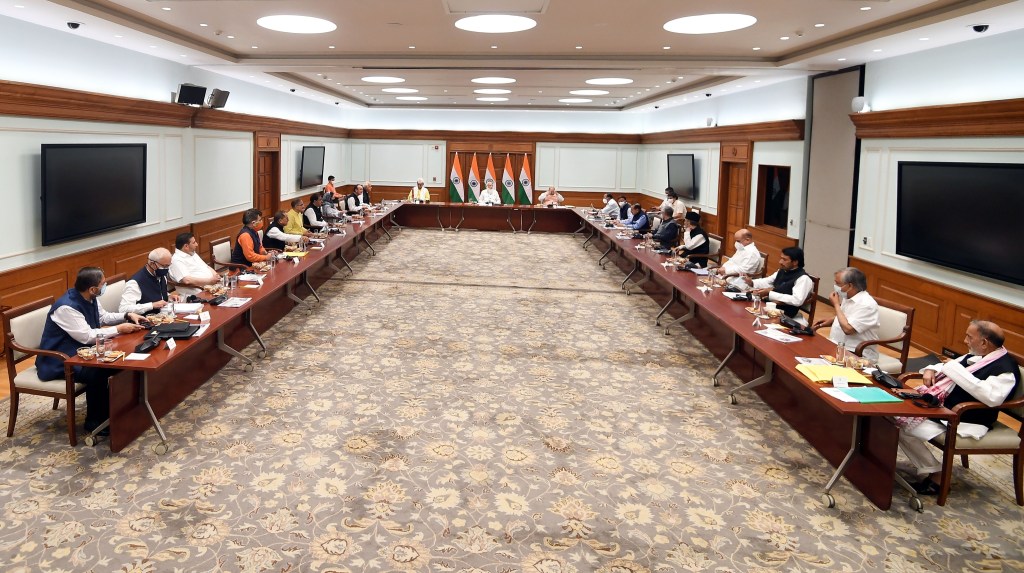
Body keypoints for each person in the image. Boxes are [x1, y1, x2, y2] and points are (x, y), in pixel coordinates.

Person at [896, 321, 1020, 495]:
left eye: (969, 337)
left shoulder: (1005, 370)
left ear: (984, 343)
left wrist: (953, 369)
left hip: (967, 418)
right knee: (894, 414)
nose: (965, 340)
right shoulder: (979, 356)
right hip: (945, 410)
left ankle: (937, 475)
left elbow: (991, 397)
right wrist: (930, 369)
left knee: (901, 425)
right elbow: (947, 366)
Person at [36, 267, 147, 435]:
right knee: (98, 372)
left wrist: (127, 315)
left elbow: (103, 317)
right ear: (93, 289)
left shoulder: (90, 297)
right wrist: (119, 329)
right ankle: (95, 422)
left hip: (84, 352)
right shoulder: (66, 307)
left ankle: (119, 411)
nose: (105, 286)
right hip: (60, 360)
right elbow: (86, 336)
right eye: (103, 284)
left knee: (121, 362)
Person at [811, 267, 881, 363]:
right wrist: (832, 320)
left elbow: (848, 329)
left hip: (857, 353)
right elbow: (848, 317)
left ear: (850, 286)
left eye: (838, 283)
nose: (835, 286)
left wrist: (836, 304)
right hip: (838, 346)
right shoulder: (848, 296)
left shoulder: (867, 305)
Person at [743, 247, 814, 321]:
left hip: (785, 313)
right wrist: (752, 282)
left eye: (784, 260)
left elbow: (797, 300)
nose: (780, 262)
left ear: (795, 262)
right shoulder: (782, 271)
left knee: (749, 318)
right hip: (770, 306)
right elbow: (768, 281)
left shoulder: (803, 279)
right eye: (781, 258)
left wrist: (770, 293)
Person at [119, 248, 181, 314]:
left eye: (168, 266)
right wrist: (152, 305)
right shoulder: (135, 283)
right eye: (164, 266)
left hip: (163, 316)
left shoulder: (161, 275)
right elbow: (123, 309)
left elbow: (155, 291)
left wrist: (168, 296)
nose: (166, 269)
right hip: (144, 318)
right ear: (152, 263)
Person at [168, 232, 221, 298]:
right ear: (186, 246)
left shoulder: (192, 253)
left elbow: (206, 267)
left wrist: (216, 275)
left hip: (211, 287)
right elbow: (187, 280)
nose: (197, 244)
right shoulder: (176, 260)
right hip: (198, 292)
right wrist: (210, 281)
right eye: (194, 242)